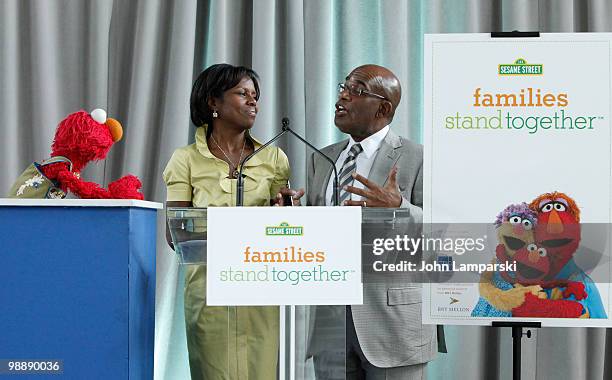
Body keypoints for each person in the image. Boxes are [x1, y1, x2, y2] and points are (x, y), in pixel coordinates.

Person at [285, 64, 439, 379]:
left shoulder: (418, 157)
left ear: (383, 107)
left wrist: (398, 205)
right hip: (330, 326)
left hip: (393, 324)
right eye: (343, 86)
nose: (341, 96)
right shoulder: (322, 158)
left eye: (355, 91)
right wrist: (294, 218)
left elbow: (443, 236)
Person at [163, 63, 290, 380]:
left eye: (255, 95)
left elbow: (284, 231)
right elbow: (175, 232)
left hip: (260, 293)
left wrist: (286, 212)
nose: (253, 102)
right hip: (208, 294)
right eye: (242, 93)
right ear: (213, 103)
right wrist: (246, 230)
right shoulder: (186, 159)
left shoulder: (274, 159)